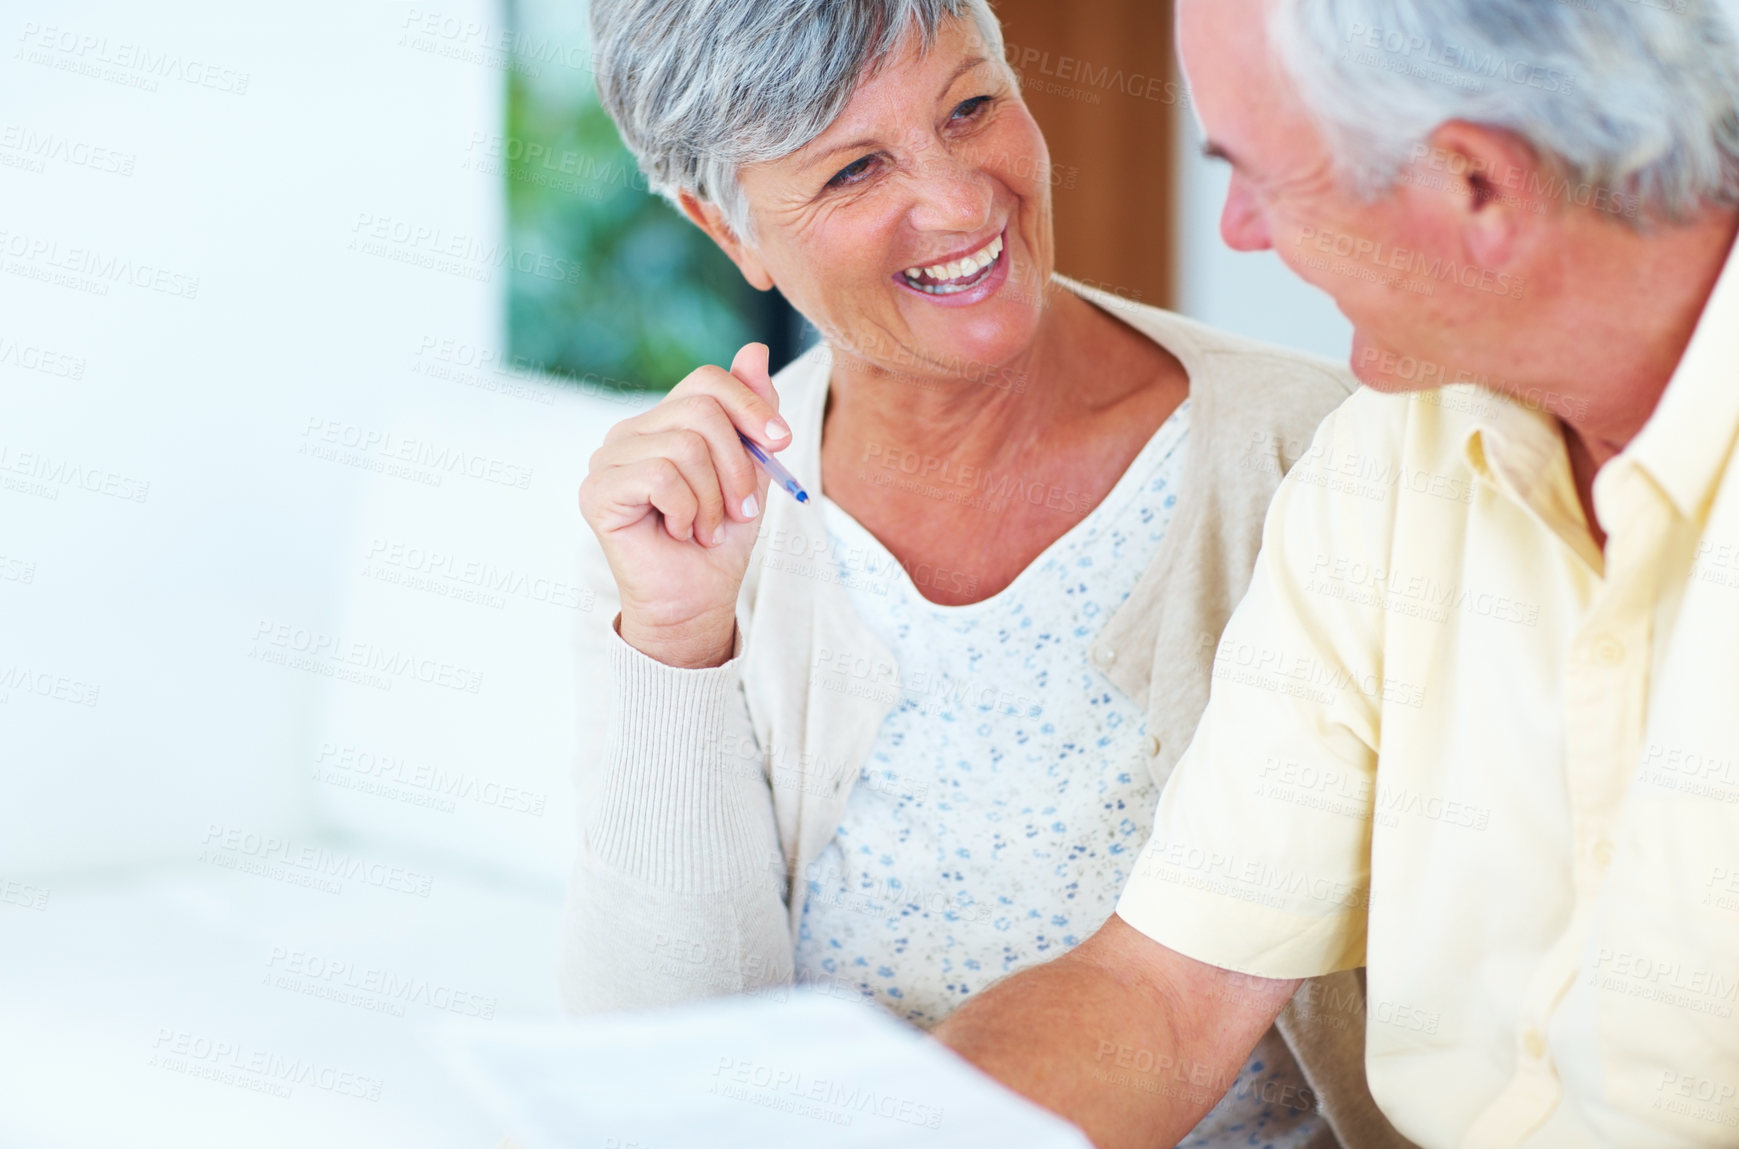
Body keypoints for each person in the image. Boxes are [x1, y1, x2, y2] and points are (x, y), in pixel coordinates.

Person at [565, 0, 1413, 1145]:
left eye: (970, 107)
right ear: (728, 233)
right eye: (855, 169)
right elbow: (664, 1063)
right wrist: (674, 636)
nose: (961, 202)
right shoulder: (696, 525)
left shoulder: (1309, 449)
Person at [934, 0, 1739, 1146]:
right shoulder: (1385, 463)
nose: (1236, 232)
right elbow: (1161, 1000)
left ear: (1475, 186)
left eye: (1261, 175)